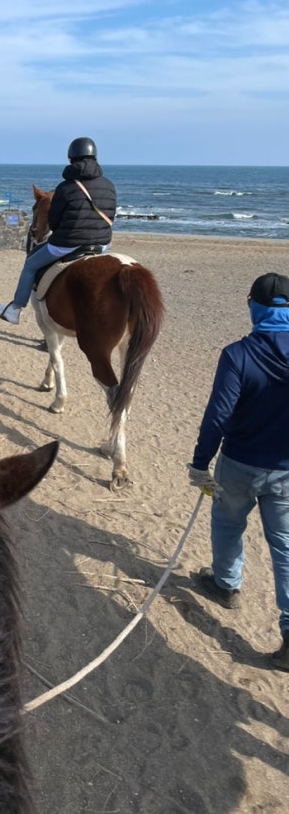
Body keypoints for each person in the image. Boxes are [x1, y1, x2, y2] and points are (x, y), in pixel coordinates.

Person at [188, 272, 289, 671]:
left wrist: (200, 462)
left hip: (239, 462)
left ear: (255, 308)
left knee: (228, 523)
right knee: (284, 546)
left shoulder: (238, 354)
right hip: (286, 470)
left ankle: (227, 585)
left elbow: (218, 416)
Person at [0, 137, 117, 324]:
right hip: (102, 244)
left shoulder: (66, 187)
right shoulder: (109, 185)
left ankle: (15, 309)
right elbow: (111, 215)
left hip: (67, 244)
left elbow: (54, 221)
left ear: (71, 159)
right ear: (95, 157)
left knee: (30, 264)